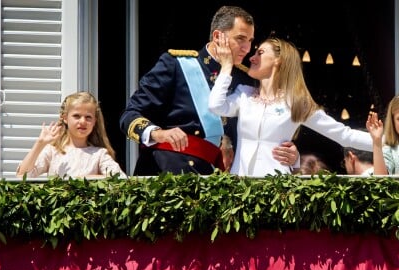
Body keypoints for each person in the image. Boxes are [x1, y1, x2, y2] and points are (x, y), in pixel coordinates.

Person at [119, 5, 298, 176]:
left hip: (219, 179)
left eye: (250, 41)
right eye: (240, 39)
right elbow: (130, 116)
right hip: (168, 174)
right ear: (217, 36)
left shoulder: (246, 79)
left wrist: (291, 154)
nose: (247, 48)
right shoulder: (177, 65)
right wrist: (159, 133)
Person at [208, 36, 374, 176]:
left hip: (277, 192)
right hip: (240, 189)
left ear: (278, 61)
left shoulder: (295, 102)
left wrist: (389, 142)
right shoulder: (244, 94)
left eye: (260, 53)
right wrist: (226, 67)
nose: (252, 57)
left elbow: (344, 135)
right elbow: (216, 106)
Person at [16, 91, 126, 178]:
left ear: (94, 121)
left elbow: (120, 178)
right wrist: (40, 144)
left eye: (88, 117)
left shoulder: (99, 154)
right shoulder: (53, 151)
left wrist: (84, 179)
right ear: (65, 118)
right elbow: (22, 176)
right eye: (77, 116)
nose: (82, 121)